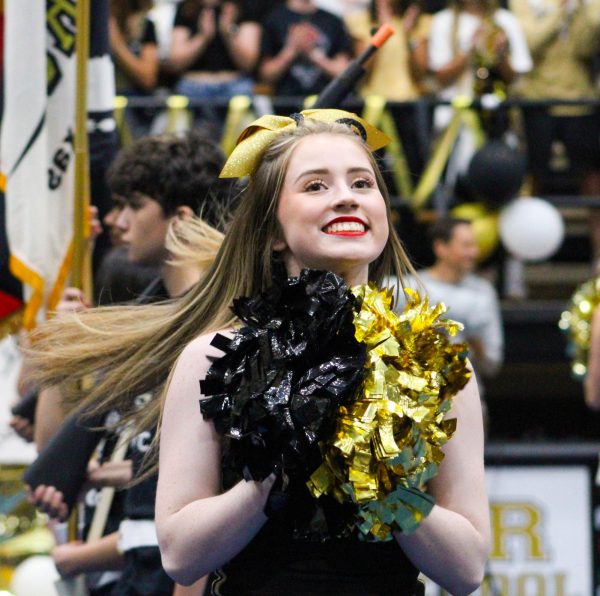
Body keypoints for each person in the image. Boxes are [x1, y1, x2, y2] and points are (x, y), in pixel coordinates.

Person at [28, 110, 490, 595]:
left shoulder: (433, 364)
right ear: (272, 230)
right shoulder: (211, 358)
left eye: (362, 183)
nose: (347, 197)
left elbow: (466, 569)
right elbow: (182, 556)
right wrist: (269, 477)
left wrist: (381, 481)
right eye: (315, 186)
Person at [28, 129, 231, 596]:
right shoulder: (146, 318)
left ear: (180, 218)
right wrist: (64, 348)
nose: (118, 221)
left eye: (134, 205)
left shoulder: (218, 325)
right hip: (137, 573)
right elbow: (51, 450)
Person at [259, 0, 352, 98]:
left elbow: (344, 74)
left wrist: (313, 53)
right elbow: (266, 75)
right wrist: (291, 49)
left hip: (326, 101)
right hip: (286, 103)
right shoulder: (274, 19)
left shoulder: (333, 21)